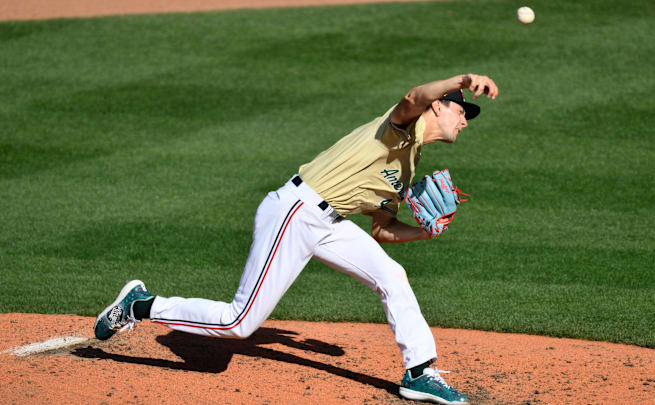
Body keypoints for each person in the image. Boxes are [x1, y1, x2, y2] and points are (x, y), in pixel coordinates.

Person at [94, 73, 498, 404]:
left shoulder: (410, 165)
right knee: (238, 324)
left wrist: (424, 232)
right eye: (462, 110)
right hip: (296, 211)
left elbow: (381, 230)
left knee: (391, 275)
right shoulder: (397, 129)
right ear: (439, 105)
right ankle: (140, 305)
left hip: (330, 223)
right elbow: (412, 95)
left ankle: (420, 372)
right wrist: (462, 77)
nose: (466, 120)